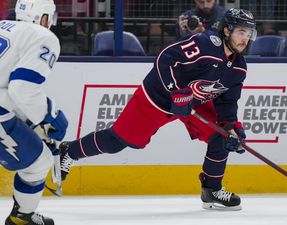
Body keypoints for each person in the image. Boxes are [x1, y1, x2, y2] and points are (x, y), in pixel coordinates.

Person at [60, 8, 257, 211]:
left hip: (192, 103)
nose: (245, 38)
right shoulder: (205, 44)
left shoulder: (239, 67)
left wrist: (232, 127)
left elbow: (227, 102)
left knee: (222, 135)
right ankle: (70, 151)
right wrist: (174, 90)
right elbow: (166, 58)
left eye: (249, 33)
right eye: (241, 32)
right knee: (119, 141)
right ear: (227, 30)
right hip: (158, 97)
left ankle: (212, 190)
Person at [0, 0, 69, 224]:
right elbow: (22, 89)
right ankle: (22, 218)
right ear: (43, 17)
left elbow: (8, 89)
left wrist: (31, 122)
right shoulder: (42, 36)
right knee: (39, 163)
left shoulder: (5, 28)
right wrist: (50, 116)